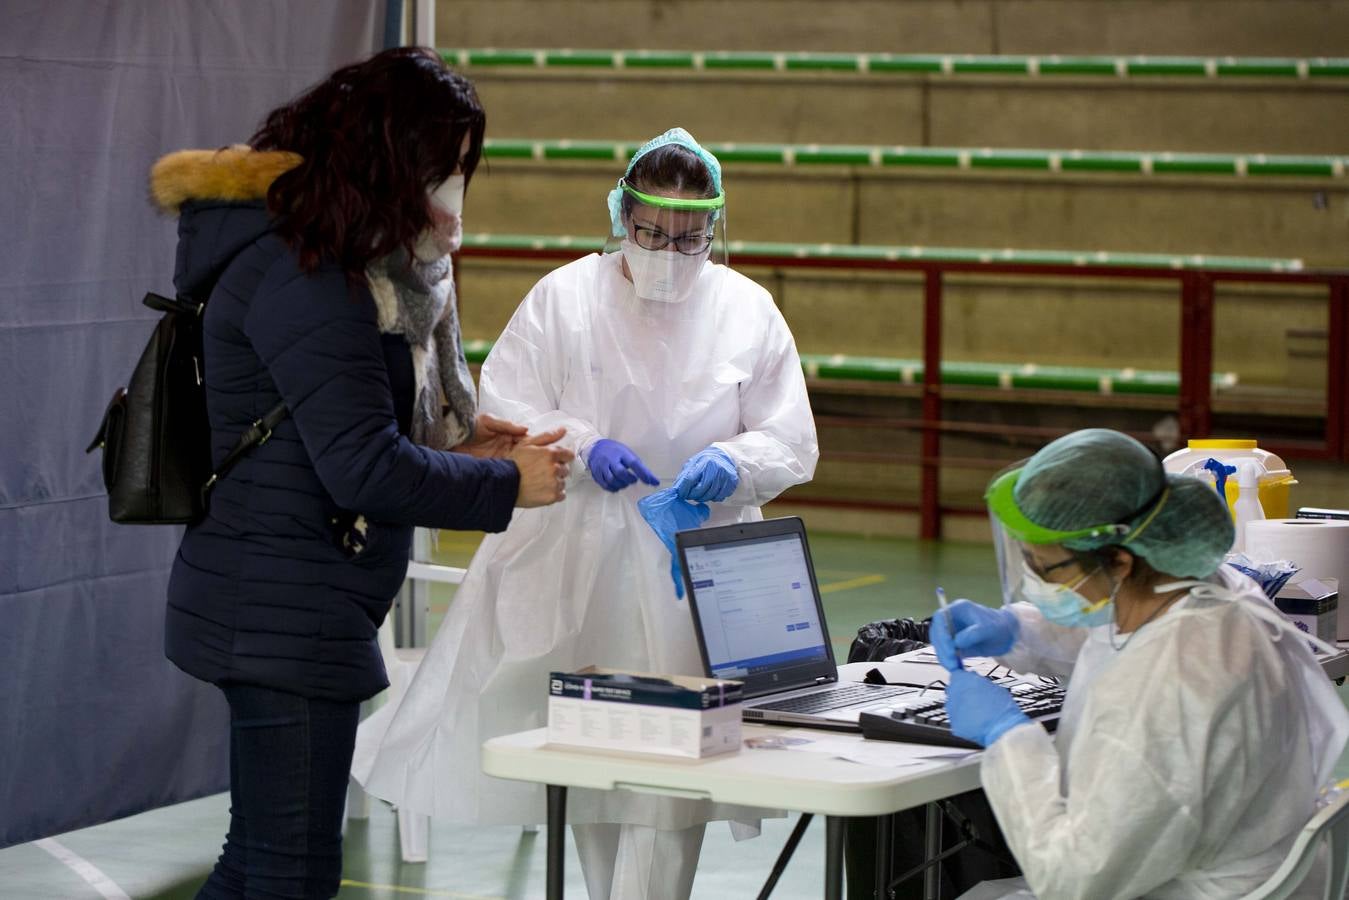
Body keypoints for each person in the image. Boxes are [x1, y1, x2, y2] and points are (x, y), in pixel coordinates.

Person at [354, 127, 819, 899]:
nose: (667, 251)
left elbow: (791, 438)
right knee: (589, 757)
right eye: (649, 232)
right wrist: (585, 441)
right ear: (620, 217)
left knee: (680, 767)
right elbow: (503, 404)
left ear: (714, 229)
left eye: (687, 236)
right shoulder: (567, 296)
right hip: (577, 553)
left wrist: (732, 463)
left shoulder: (747, 309)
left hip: (692, 563)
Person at [153, 48, 572, 899]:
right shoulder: (309, 276)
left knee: (263, 861)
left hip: (283, 596)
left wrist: (457, 457)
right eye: (444, 168)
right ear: (388, 160)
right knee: (287, 868)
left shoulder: (321, 259)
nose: (453, 193)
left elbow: (336, 441)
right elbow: (361, 469)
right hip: (280, 605)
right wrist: (504, 485)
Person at [930, 429, 1349, 900]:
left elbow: (1071, 876)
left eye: (1045, 568)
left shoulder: (1166, 693)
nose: (1034, 581)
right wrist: (1017, 630)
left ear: (1122, 562)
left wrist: (1009, 737)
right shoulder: (1212, 590)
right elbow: (1124, 630)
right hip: (1248, 862)